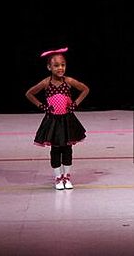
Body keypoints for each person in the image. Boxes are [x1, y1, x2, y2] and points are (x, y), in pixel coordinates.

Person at [25, 47, 89, 190]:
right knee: (55, 150)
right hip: (52, 121)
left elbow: (85, 89)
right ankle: (58, 177)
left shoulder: (69, 81)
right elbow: (29, 93)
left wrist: (75, 104)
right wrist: (43, 106)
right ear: (49, 67)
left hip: (67, 120)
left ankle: (67, 176)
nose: (60, 68)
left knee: (67, 149)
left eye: (63, 65)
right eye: (56, 65)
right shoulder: (46, 83)